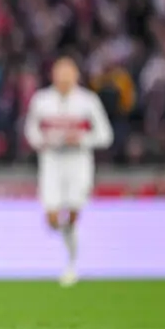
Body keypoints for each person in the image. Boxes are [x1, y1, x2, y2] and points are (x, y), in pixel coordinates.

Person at [24, 57, 113, 287]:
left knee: (73, 214)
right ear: (53, 76)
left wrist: (81, 139)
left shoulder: (88, 101)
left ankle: (72, 264)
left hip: (78, 163)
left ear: (75, 77)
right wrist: (42, 141)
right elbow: (30, 131)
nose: (63, 80)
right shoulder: (41, 100)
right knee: (53, 218)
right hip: (51, 163)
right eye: (60, 75)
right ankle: (67, 239)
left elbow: (105, 135)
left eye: (68, 76)